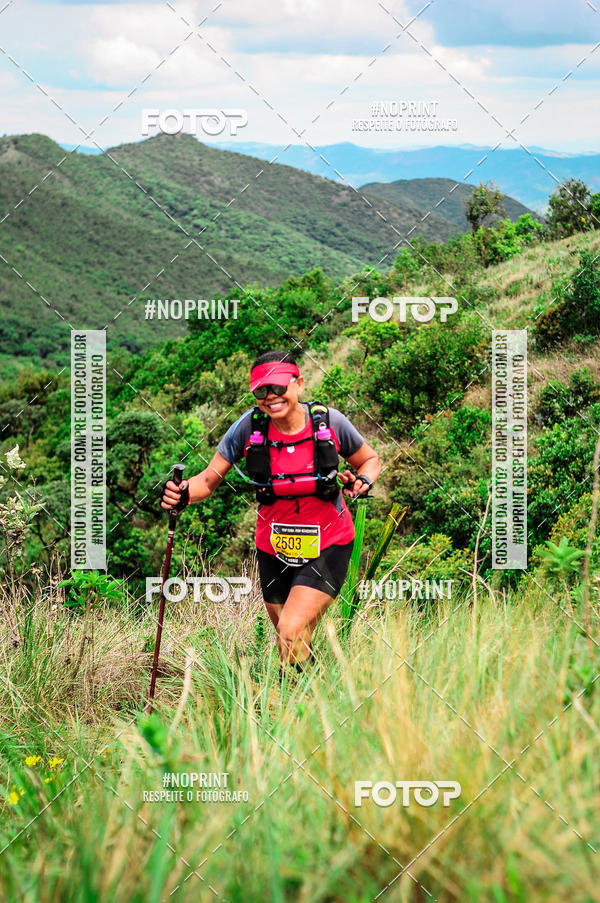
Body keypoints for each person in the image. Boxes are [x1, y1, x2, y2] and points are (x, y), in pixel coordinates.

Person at [161, 350, 380, 671]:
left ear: (298, 384)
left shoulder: (330, 423)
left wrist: (362, 481)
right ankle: (312, 706)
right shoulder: (248, 429)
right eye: (262, 391)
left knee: (291, 632)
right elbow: (207, 481)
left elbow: (369, 461)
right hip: (273, 549)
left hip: (329, 542)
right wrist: (181, 495)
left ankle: (301, 707)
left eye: (278, 388)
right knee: (290, 639)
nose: (271, 397)